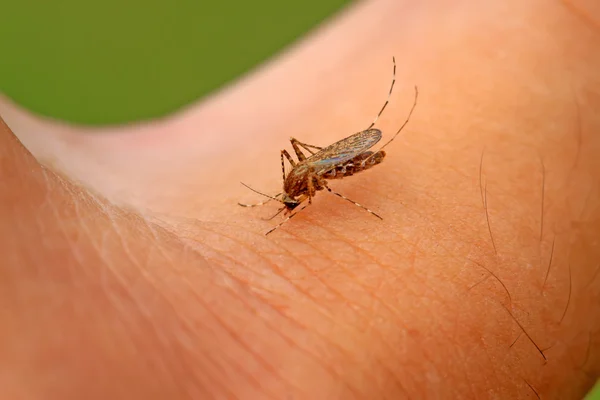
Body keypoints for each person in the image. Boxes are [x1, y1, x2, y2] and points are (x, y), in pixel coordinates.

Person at [1, 0, 599, 398]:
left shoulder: (307, 180)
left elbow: (314, 174)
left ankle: (374, 125)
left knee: (322, 157)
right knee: (308, 160)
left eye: (289, 203)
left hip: (341, 157)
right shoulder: (296, 187)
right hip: (328, 162)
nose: (290, 205)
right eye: (290, 203)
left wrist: (336, 189)